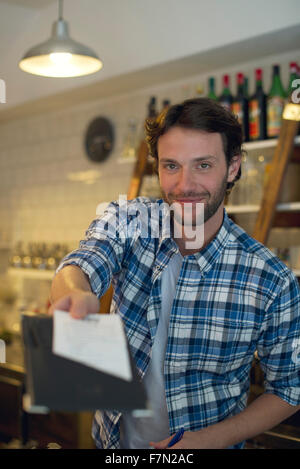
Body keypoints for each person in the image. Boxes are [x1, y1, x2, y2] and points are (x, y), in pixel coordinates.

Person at [49, 98, 300, 449]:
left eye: (203, 165)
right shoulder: (130, 221)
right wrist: (74, 292)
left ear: (232, 167)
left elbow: (289, 389)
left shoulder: (271, 279)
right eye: (171, 165)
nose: (184, 185)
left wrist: (207, 440)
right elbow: (83, 262)